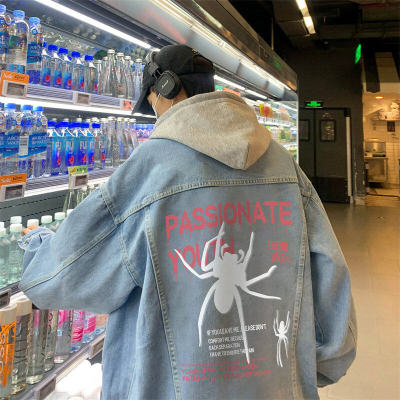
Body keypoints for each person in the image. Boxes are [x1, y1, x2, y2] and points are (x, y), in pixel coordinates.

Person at [20, 45, 357, 400]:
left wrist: (36, 243)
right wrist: (308, 366)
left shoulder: (150, 168)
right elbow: (330, 277)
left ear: (165, 89)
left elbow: (64, 276)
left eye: (151, 101)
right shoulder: (284, 165)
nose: (154, 112)